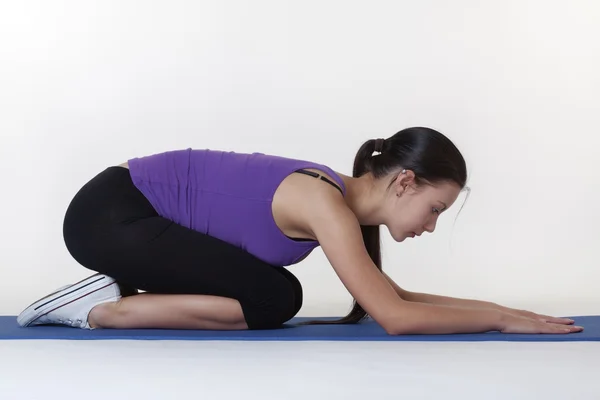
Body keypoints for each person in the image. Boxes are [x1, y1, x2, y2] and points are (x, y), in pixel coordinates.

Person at [17, 127, 583, 335]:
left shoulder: (334, 201)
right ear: (404, 183)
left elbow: (388, 297)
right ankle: (100, 308)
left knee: (275, 295)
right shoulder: (324, 202)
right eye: (434, 208)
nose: (431, 226)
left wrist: (498, 309)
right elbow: (395, 316)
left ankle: (111, 297)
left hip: (127, 220)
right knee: (273, 296)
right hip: (111, 215)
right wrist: (503, 319)